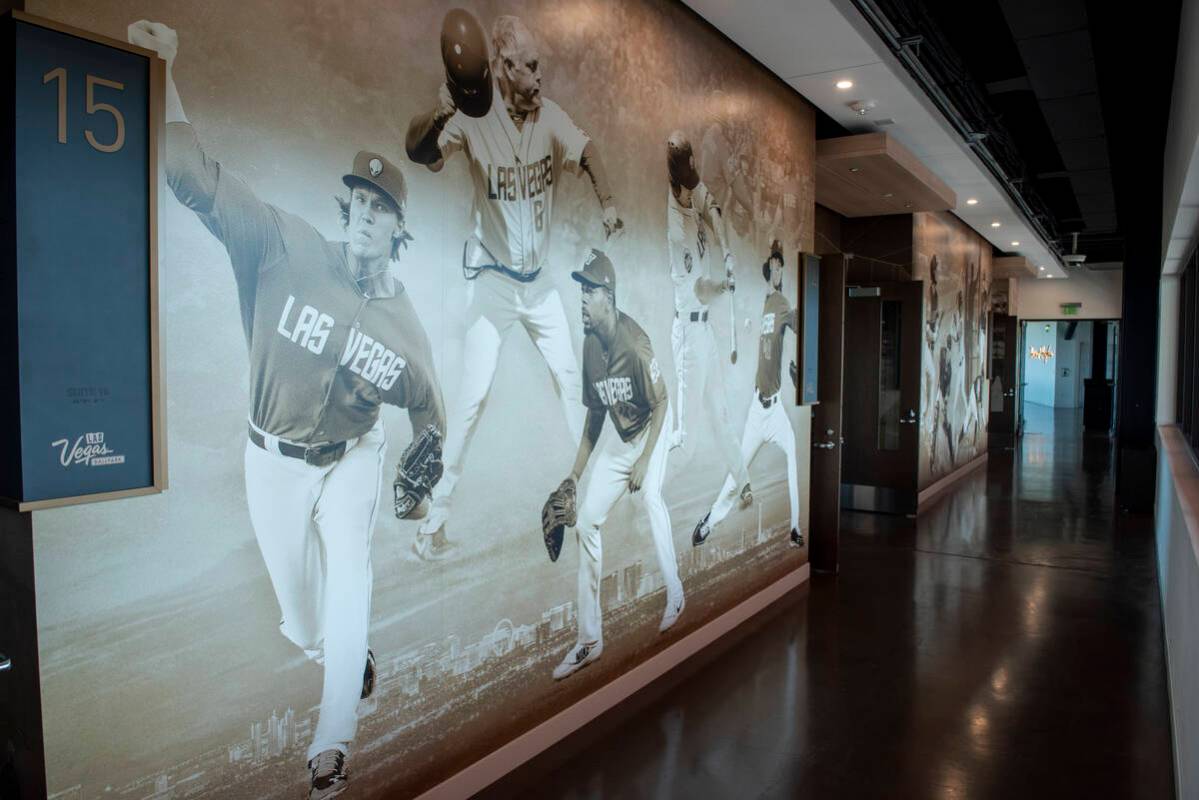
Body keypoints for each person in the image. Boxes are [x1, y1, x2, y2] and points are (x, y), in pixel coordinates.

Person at [129, 21, 445, 800]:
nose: (367, 214)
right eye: (359, 201)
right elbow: (189, 174)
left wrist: (425, 468)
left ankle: (331, 742)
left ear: (400, 231)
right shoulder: (280, 245)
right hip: (269, 458)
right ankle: (337, 654)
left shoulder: (406, 329)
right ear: (345, 209)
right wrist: (161, 70)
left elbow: (430, 413)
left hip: (351, 460)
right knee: (303, 621)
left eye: (382, 207)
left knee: (352, 583)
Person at [405, 14, 622, 559]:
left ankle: (588, 494)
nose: (538, 74)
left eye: (538, 64)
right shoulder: (473, 118)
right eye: (527, 65)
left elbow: (588, 149)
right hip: (495, 284)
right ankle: (433, 524)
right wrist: (441, 110)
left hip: (541, 284)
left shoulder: (550, 117)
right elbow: (420, 153)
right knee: (472, 397)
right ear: (501, 68)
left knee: (572, 381)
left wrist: (609, 201)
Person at [552, 250, 682, 680]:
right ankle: (590, 640)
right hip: (622, 438)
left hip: (652, 429)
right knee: (586, 522)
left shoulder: (635, 343)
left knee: (650, 496)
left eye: (589, 291)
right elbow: (594, 418)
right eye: (581, 290)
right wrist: (574, 474)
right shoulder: (590, 346)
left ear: (608, 296)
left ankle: (675, 593)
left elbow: (663, 402)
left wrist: (646, 459)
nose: (582, 299)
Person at [693, 243, 803, 548]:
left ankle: (795, 527)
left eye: (781, 265)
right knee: (738, 470)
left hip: (776, 407)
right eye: (774, 264)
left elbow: (805, 328)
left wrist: (803, 371)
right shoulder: (763, 302)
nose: (778, 269)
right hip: (758, 409)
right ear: (768, 269)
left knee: (793, 456)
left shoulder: (782, 303)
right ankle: (709, 522)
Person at [665, 132, 752, 504]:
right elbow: (701, 288)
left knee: (720, 412)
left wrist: (727, 252)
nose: (692, 185)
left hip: (704, 332)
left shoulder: (691, 187)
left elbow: (713, 208)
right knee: (687, 438)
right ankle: (646, 490)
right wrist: (724, 286)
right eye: (687, 178)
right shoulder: (676, 229)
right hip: (688, 332)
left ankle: (742, 481)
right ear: (675, 179)